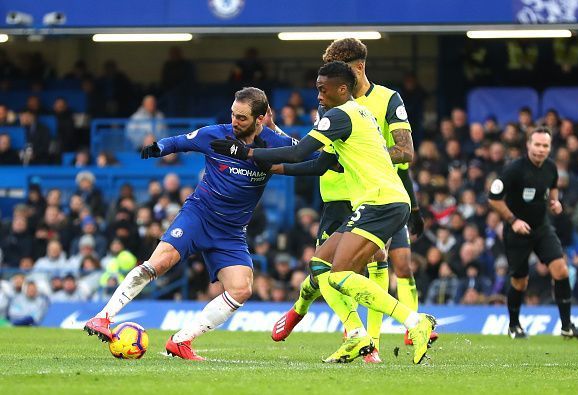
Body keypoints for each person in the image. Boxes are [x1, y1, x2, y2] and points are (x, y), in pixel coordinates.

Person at [211, 61, 436, 364]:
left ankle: (413, 321)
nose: (317, 95)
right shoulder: (358, 113)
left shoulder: (341, 116)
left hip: (380, 201)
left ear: (342, 89)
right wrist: (274, 167)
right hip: (380, 201)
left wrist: (247, 152)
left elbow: (299, 151)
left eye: (322, 89)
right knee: (320, 265)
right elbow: (320, 164)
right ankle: (357, 337)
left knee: (341, 274)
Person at [84, 87, 301, 360]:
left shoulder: (272, 142)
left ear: (260, 120)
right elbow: (179, 141)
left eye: (242, 118)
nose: (234, 121)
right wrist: (158, 147)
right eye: (233, 114)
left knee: (241, 289)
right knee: (158, 263)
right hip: (199, 215)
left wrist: (276, 128)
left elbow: (306, 154)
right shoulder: (215, 134)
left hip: (231, 232)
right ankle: (103, 317)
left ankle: (181, 341)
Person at [268, 38, 434, 362]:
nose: (322, 92)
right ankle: (338, 325)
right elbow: (318, 152)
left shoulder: (387, 99)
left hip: (378, 193)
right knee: (322, 268)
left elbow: (406, 151)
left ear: (358, 69)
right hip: (337, 195)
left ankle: (373, 341)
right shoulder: (328, 101)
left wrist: (367, 159)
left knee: (378, 262)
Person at [488, 126, 578, 340]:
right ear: (528, 145)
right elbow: (493, 198)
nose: (541, 149)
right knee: (520, 282)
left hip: (542, 228)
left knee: (561, 270)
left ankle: (567, 326)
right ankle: (514, 325)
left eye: (545, 145)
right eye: (537, 144)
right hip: (517, 232)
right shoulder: (514, 169)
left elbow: (552, 189)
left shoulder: (551, 168)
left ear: (550, 147)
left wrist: (555, 202)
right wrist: (513, 220)